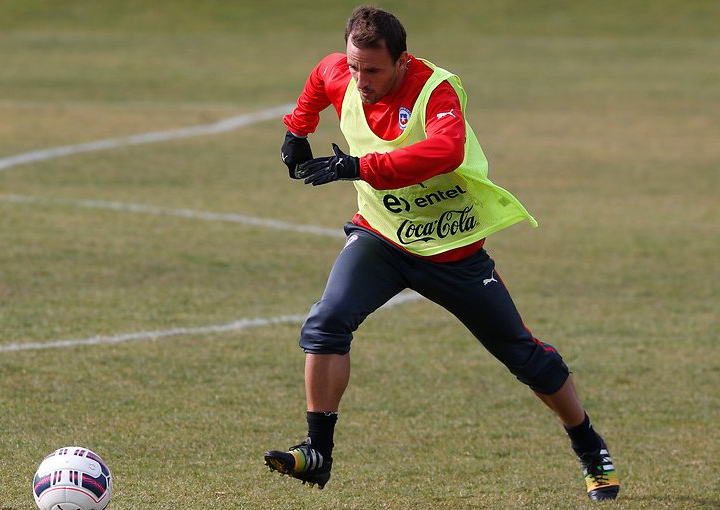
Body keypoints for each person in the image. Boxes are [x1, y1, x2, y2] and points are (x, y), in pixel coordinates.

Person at [264, 5, 620, 502]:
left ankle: (588, 443)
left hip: (452, 249)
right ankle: (317, 450)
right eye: (354, 66)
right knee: (326, 322)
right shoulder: (340, 72)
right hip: (383, 238)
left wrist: (356, 167)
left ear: (402, 62)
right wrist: (295, 131)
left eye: (373, 70)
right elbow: (321, 79)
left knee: (522, 355)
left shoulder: (435, 90)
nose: (360, 79)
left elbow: (445, 152)